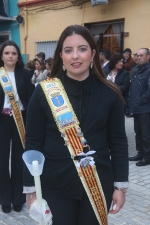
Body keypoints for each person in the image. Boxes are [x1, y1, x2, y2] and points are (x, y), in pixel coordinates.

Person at [23, 25, 129, 225]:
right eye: (68, 50)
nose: (75, 56)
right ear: (61, 55)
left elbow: (118, 142)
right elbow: (34, 143)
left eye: (82, 49)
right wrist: (31, 190)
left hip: (98, 182)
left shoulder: (110, 94)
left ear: (93, 53)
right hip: (55, 184)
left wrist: (120, 186)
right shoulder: (43, 93)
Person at [0, 40, 34, 213]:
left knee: (19, 160)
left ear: (17, 55)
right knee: (2, 160)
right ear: (2, 55)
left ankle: (18, 198)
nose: (10, 56)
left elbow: (31, 98)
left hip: (20, 120)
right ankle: (5, 197)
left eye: (13, 53)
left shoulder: (25, 74)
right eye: (7, 53)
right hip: (2, 121)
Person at [128, 48, 150, 166]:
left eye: (142, 55)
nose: (139, 57)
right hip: (136, 107)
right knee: (138, 132)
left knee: (146, 134)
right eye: (137, 55)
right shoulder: (136, 70)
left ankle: (147, 156)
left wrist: (141, 100)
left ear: (148, 57)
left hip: (145, 108)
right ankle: (140, 153)